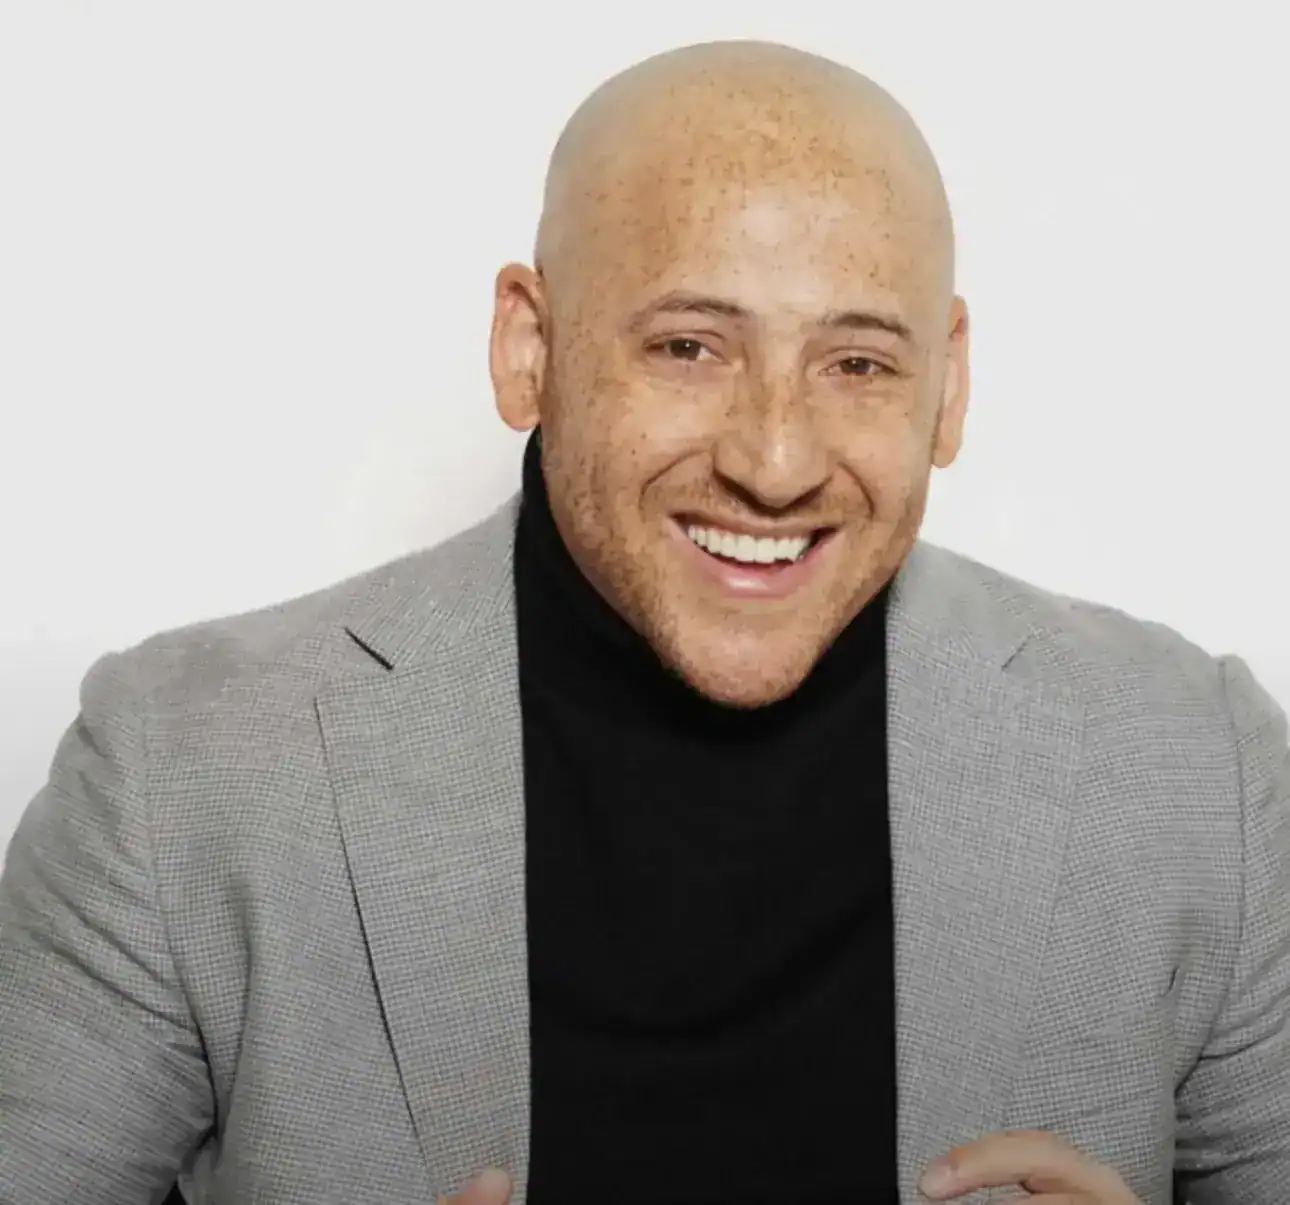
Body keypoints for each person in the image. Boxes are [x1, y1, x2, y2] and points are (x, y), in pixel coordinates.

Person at [0, 38, 1286, 1205]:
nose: (775, 461)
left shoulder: (1201, 769)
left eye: (857, 363)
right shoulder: (180, 769)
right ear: (529, 348)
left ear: (947, 387)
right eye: (689, 348)